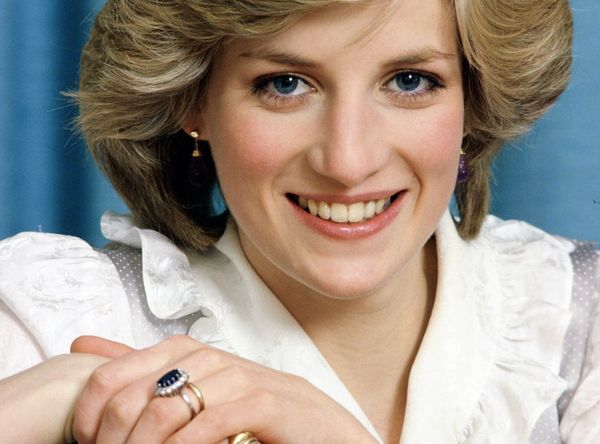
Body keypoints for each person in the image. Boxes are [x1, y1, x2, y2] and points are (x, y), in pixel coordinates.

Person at [0, 0, 598, 443]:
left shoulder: (575, 320)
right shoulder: (60, 320)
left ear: (474, 101)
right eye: (285, 85)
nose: (347, 162)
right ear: (192, 102)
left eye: (409, 81)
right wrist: (62, 388)